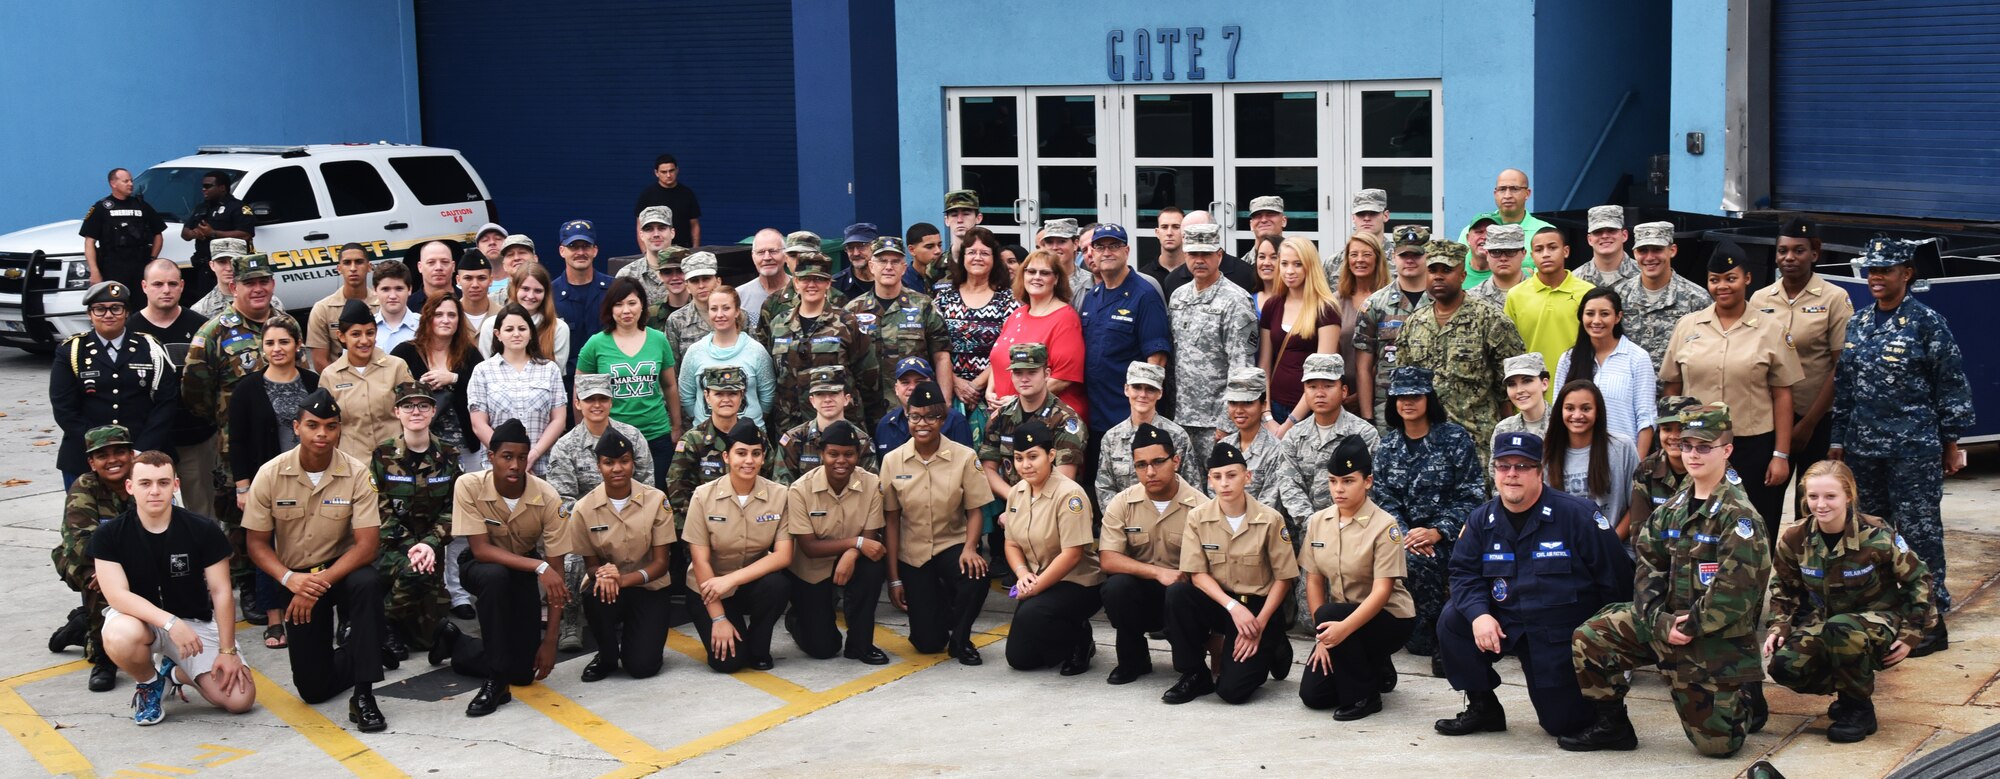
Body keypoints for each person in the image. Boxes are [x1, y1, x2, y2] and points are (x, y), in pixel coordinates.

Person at [1567, 403, 1773, 756]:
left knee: (1718, 746)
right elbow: (1648, 565)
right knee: (1592, 636)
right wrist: (1659, 621)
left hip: (1710, 636)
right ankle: (1612, 725)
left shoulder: (1739, 517)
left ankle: (1741, 691)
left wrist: (1688, 627)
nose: (1693, 454)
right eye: (1689, 445)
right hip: (1664, 623)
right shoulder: (1673, 508)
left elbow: (1734, 595)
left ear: (1727, 450)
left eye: (1704, 447)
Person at [1433, 432, 1632, 740]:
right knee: (1453, 620)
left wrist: (1602, 649)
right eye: (1504, 466)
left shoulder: (1576, 516)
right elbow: (1463, 574)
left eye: (1523, 466)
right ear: (1494, 470)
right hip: (1506, 622)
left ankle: (1603, 709)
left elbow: (1617, 579)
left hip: (1558, 635)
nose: (1512, 474)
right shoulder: (1480, 520)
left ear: (1540, 471)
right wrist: (1479, 615)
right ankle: (1482, 705)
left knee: (1563, 725)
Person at [1830, 235, 1974, 654]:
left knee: (1920, 534)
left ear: (1906, 274)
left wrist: (1952, 443)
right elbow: (1846, 388)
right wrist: (1837, 441)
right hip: (1863, 449)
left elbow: (1950, 386)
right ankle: (1885, 610)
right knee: (1874, 532)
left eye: (1886, 270)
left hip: (1914, 450)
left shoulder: (1927, 322)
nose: (1876, 277)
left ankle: (1930, 619)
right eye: (1871, 270)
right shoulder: (1858, 323)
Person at [241, 389, 389, 732]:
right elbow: (256, 545)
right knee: (313, 690)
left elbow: (367, 546)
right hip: (296, 577)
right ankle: (369, 649)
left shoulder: (357, 473)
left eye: (331, 426)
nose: (322, 434)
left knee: (367, 582)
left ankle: (364, 695)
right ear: (296, 428)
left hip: (342, 571)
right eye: (313, 425)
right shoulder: (270, 474)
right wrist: (291, 581)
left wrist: (317, 584)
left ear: (340, 430)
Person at [1765, 460, 1937, 744]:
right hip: (1828, 624)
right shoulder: (1796, 537)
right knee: (1784, 666)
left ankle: (1859, 708)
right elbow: (1783, 586)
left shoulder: (1877, 535)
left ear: (1849, 496)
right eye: (1813, 496)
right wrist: (1779, 626)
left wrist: (1911, 634)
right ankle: (1849, 691)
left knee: (1841, 628)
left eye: (1830, 496)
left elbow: (1919, 580)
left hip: (1880, 621)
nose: (1820, 504)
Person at [92, 451, 257, 725]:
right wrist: (170, 623)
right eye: (145, 483)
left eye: (163, 482)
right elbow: (117, 595)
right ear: (130, 487)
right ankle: (149, 682)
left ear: (176, 485)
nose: (155, 491)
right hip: (141, 623)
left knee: (240, 700)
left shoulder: (203, 529)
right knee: (119, 634)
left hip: (195, 623)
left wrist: (227, 652)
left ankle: (174, 673)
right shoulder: (109, 535)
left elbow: (221, 592)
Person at [1661, 240, 1803, 534]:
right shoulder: (1688, 326)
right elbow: (1672, 387)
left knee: (1756, 525)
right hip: (1698, 446)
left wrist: (1781, 455)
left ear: (1747, 279)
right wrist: (1673, 440)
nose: (1722, 286)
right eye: (1714, 280)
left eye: (1730, 278)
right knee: (1700, 524)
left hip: (1752, 447)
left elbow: (1783, 395)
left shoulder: (1771, 329)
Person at [183, 252, 299, 608]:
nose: (258, 289)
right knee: (241, 519)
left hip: (285, 441)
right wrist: (224, 422)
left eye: (264, 281)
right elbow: (194, 390)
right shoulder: (214, 332)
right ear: (234, 286)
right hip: (236, 448)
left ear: (273, 284)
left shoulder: (286, 325)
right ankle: (248, 584)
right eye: (250, 283)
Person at [431, 420, 570, 716]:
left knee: (522, 673)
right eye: (507, 456)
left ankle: (455, 641)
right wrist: (539, 566)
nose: (515, 465)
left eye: (522, 457)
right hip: (480, 565)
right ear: (491, 456)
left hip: (523, 569)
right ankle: (495, 682)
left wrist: (550, 641)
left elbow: (556, 576)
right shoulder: (468, 485)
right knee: (495, 578)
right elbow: (481, 549)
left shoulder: (546, 497)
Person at [1161, 442, 1299, 704]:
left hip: (1258, 607)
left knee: (1232, 692)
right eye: (1217, 477)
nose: (1224, 483)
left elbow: (1285, 578)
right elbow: (1197, 573)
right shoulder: (1198, 517)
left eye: (1232, 475)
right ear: (1209, 481)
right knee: (1178, 593)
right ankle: (1194, 674)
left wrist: (1260, 624)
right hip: (1222, 602)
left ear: (1248, 477)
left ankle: (1275, 642)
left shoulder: (1270, 519)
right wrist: (1232, 607)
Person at [1371, 367, 1483, 672]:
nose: (1407, 402)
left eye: (1415, 396)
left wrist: (1437, 531)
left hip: (1451, 537)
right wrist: (1407, 534)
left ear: (1428, 399)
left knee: (1429, 560)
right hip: (1403, 539)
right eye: (1401, 396)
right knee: (1407, 559)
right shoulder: (1387, 447)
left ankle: (1443, 635)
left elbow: (1471, 495)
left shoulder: (1454, 438)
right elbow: (1384, 501)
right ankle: (1417, 633)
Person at [1296, 438, 1416, 720]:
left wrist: (1338, 631)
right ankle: (1375, 665)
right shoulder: (1318, 522)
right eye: (1333, 481)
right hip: (1339, 619)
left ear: (1368, 481)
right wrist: (1323, 637)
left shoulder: (1384, 525)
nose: (1339, 489)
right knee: (1314, 696)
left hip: (1388, 618)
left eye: (1348, 481)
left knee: (1331, 613)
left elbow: (1382, 592)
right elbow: (1313, 580)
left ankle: (1365, 696)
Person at [881, 380, 995, 664]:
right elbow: (892, 521)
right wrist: (894, 578)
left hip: (951, 544)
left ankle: (960, 639)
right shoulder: (893, 461)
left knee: (976, 576)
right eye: (915, 416)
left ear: (943, 419)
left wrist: (971, 548)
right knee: (927, 643)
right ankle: (940, 606)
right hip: (914, 552)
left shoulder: (964, 457)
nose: (922, 423)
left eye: (931, 416)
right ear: (907, 418)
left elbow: (976, 510)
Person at [1397, 239, 1528, 465]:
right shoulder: (1413, 324)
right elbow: (1405, 386)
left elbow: (1509, 386)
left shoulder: (1490, 320)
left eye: (1446, 270)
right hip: (1427, 445)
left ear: (1462, 275)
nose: (1438, 276)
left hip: (1477, 443)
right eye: (1432, 270)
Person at [227, 319, 319, 636]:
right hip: (266, 482)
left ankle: (310, 606)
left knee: (310, 544)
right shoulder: (247, 389)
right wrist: (243, 488)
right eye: (270, 343)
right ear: (262, 348)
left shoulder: (313, 382)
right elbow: (236, 441)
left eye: (283, 342)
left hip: (311, 479)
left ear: (297, 344)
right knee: (266, 546)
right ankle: (274, 619)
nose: (277, 349)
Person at [1753, 217, 1852, 503]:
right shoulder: (1761, 299)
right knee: (1765, 502)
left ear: (1815, 254)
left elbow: (1840, 366)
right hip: (1770, 420)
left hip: (1817, 418)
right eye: (1783, 251)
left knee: (1813, 504)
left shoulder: (1835, 298)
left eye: (1798, 250)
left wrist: (1807, 424)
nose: (1789, 258)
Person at [566, 429, 676, 681]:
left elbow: (661, 565)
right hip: (607, 590)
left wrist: (621, 579)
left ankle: (634, 642)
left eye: (624, 461)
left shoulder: (656, 500)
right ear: (598, 467)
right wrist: (604, 574)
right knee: (594, 593)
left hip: (649, 586)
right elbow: (590, 565)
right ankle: (606, 655)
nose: (617, 468)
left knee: (642, 667)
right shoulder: (584, 508)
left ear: (633, 463)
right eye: (609, 462)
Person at [1098, 423, 1204, 685]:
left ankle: (1192, 670)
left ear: (1176, 461)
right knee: (1116, 587)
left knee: (1179, 593)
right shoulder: (1122, 503)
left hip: (1183, 597)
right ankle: (1133, 660)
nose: (1150, 472)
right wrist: (1158, 572)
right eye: (1141, 465)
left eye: (1158, 462)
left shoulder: (1201, 507)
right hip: (1143, 593)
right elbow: (1108, 559)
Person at [684, 420, 794, 672]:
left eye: (756, 453)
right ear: (726, 456)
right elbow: (700, 561)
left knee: (778, 584)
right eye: (741, 453)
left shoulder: (780, 495)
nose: (749, 461)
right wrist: (719, 618)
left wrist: (731, 579)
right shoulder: (703, 496)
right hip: (708, 588)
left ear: (764, 457)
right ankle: (731, 631)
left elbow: (783, 556)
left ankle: (758, 645)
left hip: (747, 583)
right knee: (727, 663)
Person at [368, 382, 461, 668]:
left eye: (423, 405)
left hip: (432, 550)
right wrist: (414, 547)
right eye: (408, 405)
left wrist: (430, 544)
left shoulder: (449, 454)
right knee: (414, 571)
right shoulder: (382, 455)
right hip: (393, 549)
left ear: (433, 411)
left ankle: (386, 621)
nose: (415, 411)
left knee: (425, 640)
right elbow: (379, 509)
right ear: (397, 412)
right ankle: (383, 627)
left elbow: (454, 510)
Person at [781, 421, 890, 664]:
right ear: (821, 454)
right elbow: (809, 548)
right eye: (833, 454)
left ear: (858, 455)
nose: (841, 460)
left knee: (872, 568)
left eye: (849, 454)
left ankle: (860, 644)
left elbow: (870, 539)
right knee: (824, 648)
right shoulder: (800, 490)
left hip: (852, 560)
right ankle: (796, 618)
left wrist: (853, 553)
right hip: (811, 569)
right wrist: (857, 542)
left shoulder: (872, 484)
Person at [1000, 420, 1104, 674]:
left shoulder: (1070, 495)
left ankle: (1080, 639)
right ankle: (1062, 630)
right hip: (1039, 579)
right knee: (1019, 659)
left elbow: (1072, 554)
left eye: (1033, 457)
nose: (1025, 465)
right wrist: (1022, 574)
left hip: (1078, 583)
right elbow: (1011, 542)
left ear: (1051, 455)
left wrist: (1034, 588)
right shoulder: (1017, 493)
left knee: (1032, 615)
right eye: (1019, 458)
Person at [51, 281, 177, 486]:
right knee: (87, 518)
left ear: (127, 312)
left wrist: (139, 451)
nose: (108, 315)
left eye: (116, 308)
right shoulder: (72, 351)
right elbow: (64, 409)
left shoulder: (150, 348)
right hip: (86, 457)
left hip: (144, 456)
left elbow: (166, 403)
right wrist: (101, 450)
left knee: (150, 516)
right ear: (89, 314)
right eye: (100, 309)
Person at [50, 425, 136, 692]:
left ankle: (80, 626)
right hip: (83, 561)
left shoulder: (145, 480)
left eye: (119, 452)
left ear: (131, 454)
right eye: (102, 455)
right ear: (92, 462)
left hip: (133, 559)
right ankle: (104, 659)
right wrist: (114, 572)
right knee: (101, 584)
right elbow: (81, 543)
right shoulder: (84, 487)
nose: (112, 460)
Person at [128, 259, 218, 511]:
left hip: (196, 437)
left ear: (181, 286)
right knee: (149, 510)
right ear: (144, 287)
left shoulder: (202, 327)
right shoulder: (130, 331)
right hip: (146, 439)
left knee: (201, 511)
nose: (165, 289)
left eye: (171, 284)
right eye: (158, 284)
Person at [1077, 224, 1172, 462]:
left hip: (1128, 416)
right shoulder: (1092, 297)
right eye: (1100, 247)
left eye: (1114, 246)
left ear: (1127, 251)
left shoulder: (1144, 295)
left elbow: (1157, 360)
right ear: (1092, 253)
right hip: (1095, 414)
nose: (1107, 252)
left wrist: (1143, 412)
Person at [759, 249, 878, 434]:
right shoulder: (778, 324)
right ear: (796, 283)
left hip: (839, 424)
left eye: (819, 279)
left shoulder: (847, 322)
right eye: (805, 279)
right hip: (791, 427)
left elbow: (867, 376)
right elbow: (773, 375)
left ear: (828, 283)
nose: (812, 285)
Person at [577, 277, 684, 481]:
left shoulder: (658, 340)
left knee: (655, 498)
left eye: (632, 303)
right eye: (618, 304)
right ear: (610, 308)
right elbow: (580, 391)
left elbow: (670, 386)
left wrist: (676, 427)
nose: (626, 310)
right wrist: (585, 431)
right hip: (611, 437)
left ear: (642, 305)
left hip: (656, 434)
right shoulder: (596, 344)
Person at [1170, 222, 1258, 464]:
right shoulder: (1178, 297)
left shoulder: (1235, 300)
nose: (1199, 260)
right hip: (1181, 417)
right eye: (1193, 253)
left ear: (1219, 255)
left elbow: (1242, 366)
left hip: (1215, 422)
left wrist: (1227, 423)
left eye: (1206, 254)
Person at [846, 236, 954, 412]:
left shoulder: (924, 306)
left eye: (895, 261)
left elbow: (941, 355)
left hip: (916, 408)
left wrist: (944, 402)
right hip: (867, 409)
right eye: (882, 261)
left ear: (904, 268)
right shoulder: (853, 310)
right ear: (871, 266)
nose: (889, 267)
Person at [988, 249, 1088, 421]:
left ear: (1056, 279)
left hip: (1049, 419)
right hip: (1009, 415)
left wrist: (1020, 402)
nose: (1037, 277)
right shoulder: (1016, 315)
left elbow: (1063, 378)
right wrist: (990, 391)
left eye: (1045, 273)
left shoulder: (1065, 318)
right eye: (1031, 271)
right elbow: (999, 358)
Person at [468, 305, 569, 476]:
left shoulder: (550, 369)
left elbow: (559, 420)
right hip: (497, 469)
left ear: (531, 333)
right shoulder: (482, 371)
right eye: (509, 329)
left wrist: (531, 456)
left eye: (522, 328)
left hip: (542, 468)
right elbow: (478, 424)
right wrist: (509, 457)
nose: (516, 334)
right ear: (497, 334)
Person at [1555, 288, 1656, 456]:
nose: (1596, 320)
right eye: (1589, 313)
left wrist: (1637, 467)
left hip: (1621, 457)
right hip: (1577, 457)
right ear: (1581, 317)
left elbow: (1646, 419)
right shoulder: (1568, 359)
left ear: (1618, 317)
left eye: (1604, 314)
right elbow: (1559, 414)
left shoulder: (1637, 358)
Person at [1352, 226, 1431, 433]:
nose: (1410, 260)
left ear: (1428, 256)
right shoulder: (1375, 305)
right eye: (1404, 255)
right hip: (1387, 409)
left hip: (1435, 407)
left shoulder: (1441, 301)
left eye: (1417, 255)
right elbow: (1363, 368)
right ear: (1394, 256)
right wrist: (1368, 417)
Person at [981, 343, 1088, 495]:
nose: (1024, 379)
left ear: (1046, 374)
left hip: (1054, 505)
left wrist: (1027, 506)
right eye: (1018, 373)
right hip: (1013, 501)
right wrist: (1015, 500)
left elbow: (1065, 477)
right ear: (1011, 376)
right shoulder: (1001, 416)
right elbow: (988, 468)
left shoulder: (1064, 420)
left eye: (1032, 372)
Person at [393, 294, 482, 473]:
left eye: (452, 315)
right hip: (418, 444)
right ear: (428, 317)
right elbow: (392, 392)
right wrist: (418, 387)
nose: (445, 320)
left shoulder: (469, 353)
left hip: (464, 444)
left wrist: (454, 379)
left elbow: (482, 389)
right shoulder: (406, 352)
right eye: (438, 314)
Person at [934, 227, 1019, 413]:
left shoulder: (1008, 300)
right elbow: (934, 346)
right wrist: (956, 382)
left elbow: (1010, 349)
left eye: (984, 253)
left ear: (994, 260)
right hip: (949, 390)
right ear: (963, 257)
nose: (977, 257)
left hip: (993, 393)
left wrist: (976, 385)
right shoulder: (944, 298)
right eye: (971, 252)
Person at [1283, 354, 1380, 514]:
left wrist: (1339, 526)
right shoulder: (1293, 436)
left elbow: (1373, 487)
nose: (1320, 393)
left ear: (1343, 391)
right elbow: (1289, 486)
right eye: (1312, 387)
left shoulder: (1364, 434)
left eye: (1328, 386)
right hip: (1307, 531)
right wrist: (1315, 526)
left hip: (1353, 530)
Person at [1095, 363, 1203, 507]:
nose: (1143, 395)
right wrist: (1121, 521)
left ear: (1160, 393)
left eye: (1150, 389)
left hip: (1170, 519)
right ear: (1126, 389)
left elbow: (1192, 488)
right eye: (1137, 387)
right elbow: (1104, 489)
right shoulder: (1112, 438)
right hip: (1127, 521)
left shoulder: (1177, 435)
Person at [1260, 236, 1341, 428]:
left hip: (1312, 409)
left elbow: (1323, 372)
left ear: (1309, 266)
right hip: (1274, 406)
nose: (1289, 271)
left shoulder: (1325, 308)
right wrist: (1267, 414)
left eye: (1297, 264)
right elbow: (1264, 364)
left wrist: (1290, 422)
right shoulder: (1273, 305)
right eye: (1284, 263)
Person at [1611, 222, 1711, 375]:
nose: (1650, 257)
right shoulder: (1620, 294)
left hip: (1678, 394)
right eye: (1643, 250)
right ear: (1635, 254)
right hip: (1633, 390)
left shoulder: (1697, 298)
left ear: (1672, 250)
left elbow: (1708, 351)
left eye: (1657, 250)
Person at [323, 299, 417, 462]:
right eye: (356, 334)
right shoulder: (330, 376)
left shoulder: (396, 367)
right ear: (341, 336)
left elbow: (413, 414)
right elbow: (329, 425)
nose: (365, 340)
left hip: (397, 461)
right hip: (353, 465)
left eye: (370, 333)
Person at [1505, 227, 1595, 395]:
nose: (1545, 254)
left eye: (1552, 247)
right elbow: (1509, 351)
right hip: (1530, 393)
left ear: (1566, 251)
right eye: (1539, 249)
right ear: (1532, 256)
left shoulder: (1587, 293)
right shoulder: (1516, 295)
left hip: (1577, 389)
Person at [548, 374, 657, 507]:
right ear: (577, 404)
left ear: (611, 402)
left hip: (632, 516)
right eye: (589, 399)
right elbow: (563, 499)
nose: (597, 405)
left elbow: (646, 485)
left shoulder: (632, 436)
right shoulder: (565, 446)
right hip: (586, 522)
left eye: (603, 399)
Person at [1220, 368, 1313, 524]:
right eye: (1233, 403)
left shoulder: (1277, 450)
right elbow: (1214, 497)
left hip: (1260, 533)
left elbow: (1269, 508)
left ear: (1263, 405)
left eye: (1248, 403)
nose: (1239, 410)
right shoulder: (1224, 446)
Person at [1547, 381, 1640, 532]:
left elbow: (1638, 504)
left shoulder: (1622, 447)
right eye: (1570, 408)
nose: (1577, 415)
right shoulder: (1548, 453)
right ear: (1560, 411)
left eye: (1586, 408)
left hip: (1616, 547)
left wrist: (1610, 542)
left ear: (1597, 412)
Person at [677, 286, 775, 427]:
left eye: (726, 308)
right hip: (706, 437)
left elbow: (767, 397)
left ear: (737, 311)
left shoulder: (756, 351)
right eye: (714, 309)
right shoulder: (695, 352)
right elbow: (686, 397)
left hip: (749, 438)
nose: (719, 314)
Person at [776, 366, 878, 480]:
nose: (827, 399)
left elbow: (870, 486)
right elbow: (783, 487)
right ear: (812, 401)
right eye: (820, 394)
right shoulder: (793, 440)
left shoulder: (862, 442)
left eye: (833, 393)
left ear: (846, 399)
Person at [1627, 396, 1704, 537]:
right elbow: (1638, 530)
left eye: (1681, 429)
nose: (1674, 436)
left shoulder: (1712, 466)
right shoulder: (1647, 469)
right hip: (1657, 555)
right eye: (1667, 429)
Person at [80, 167, 167, 292]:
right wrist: (94, 271)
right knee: (117, 303)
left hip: (140, 267)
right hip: (113, 269)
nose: (131, 184)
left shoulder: (141, 205)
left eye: (131, 181)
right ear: (113, 184)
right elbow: (89, 242)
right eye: (126, 181)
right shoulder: (102, 208)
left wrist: (152, 260)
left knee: (141, 306)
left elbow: (158, 234)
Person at [480, 262, 573, 372]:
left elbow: (555, 375)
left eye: (538, 290)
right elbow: (486, 371)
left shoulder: (559, 328)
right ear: (515, 289)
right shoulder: (491, 325)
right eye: (525, 289)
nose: (530, 296)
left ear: (546, 294)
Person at [875, 357, 976, 455]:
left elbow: (965, 463)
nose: (913, 387)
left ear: (932, 385)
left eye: (919, 382)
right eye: (905, 382)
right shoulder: (886, 424)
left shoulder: (954, 420)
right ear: (896, 389)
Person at [757, 231, 854, 332]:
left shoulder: (838, 299)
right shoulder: (773, 303)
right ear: (785, 258)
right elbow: (766, 344)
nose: (799, 260)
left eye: (805, 255)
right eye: (793, 255)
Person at [1456, 169, 1556, 265]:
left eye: (1514, 189)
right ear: (1495, 194)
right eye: (1502, 189)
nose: (1507, 195)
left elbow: (1552, 274)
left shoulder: (1545, 232)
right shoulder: (1471, 232)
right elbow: (1459, 271)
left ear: (1527, 193)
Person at [181, 170, 255, 298]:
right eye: (203, 186)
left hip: (230, 269)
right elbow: (185, 233)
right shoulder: (201, 207)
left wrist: (213, 233)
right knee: (206, 307)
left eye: (208, 186)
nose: (204, 189)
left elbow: (246, 234)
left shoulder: (238, 208)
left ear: (222, 188)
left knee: (233, 301)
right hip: (205, 267)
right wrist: (195, 233)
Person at [306, 244, 379, 371]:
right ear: (339, 268)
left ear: (369, 267)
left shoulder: (382, 304)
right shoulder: (322, 309)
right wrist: (344, 383)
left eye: (359, 262)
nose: (353, 268)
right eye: (347, 263)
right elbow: (319, 360)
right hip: (341, 384)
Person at [552, 219, 613, 365]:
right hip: (566, 379)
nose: (580, 252)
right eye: (573, 246)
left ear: (595, 250)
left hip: (608, 375)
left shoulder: (614, 289)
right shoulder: (549, 294)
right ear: (562, 251)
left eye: (586, 246)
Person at [1332, 232, 1388, 390]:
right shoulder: (1335, 302)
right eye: (1354, 254)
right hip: (1342, 391)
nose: (1360, 260)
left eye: (1367, 254)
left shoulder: (1390, 300)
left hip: (1382, 392)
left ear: (1377, 259)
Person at [1161, 210, 1259, 299]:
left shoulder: (1247, 275)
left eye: (1202, 234)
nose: (1199, 260)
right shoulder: (1173, 282)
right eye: (1187, 235)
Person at [623, 207, 691, 324]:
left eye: (662, 228)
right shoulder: (627, 275)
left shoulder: (691, 269)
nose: (656, 234)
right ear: (641, 235)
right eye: (649, 229)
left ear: (672, 232)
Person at [663, 252, 733, 360]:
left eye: (706, 279)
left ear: (718, 282)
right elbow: (673, 368)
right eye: (694, 281)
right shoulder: (677, 321)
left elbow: (753, 356)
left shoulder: (737, 315)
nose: (701, 286)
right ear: (687, 287)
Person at [192, 239, 287, 319]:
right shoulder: (201, 310)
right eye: (222, 262)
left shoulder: (271, 302)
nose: (229, 268)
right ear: (212, 265)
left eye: (234, 262)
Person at [1320, 189, 1390, 286]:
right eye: (1361, 214)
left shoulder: (1401, 258)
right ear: (1353, 218)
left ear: (1385, 216)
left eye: (1373, 213)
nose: (1366, 218)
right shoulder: (1334, 262)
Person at [632, 153, 701, 247]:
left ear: (677, 170)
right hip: (657, 249)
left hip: (684, 248)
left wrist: (695, 250)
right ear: (656, 173)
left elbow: (694, 225)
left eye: (671, 171)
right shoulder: (648, 194)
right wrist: (645, 253)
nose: (668, 175)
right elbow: (640, 226)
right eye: (664, 172)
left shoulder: (687, 193)